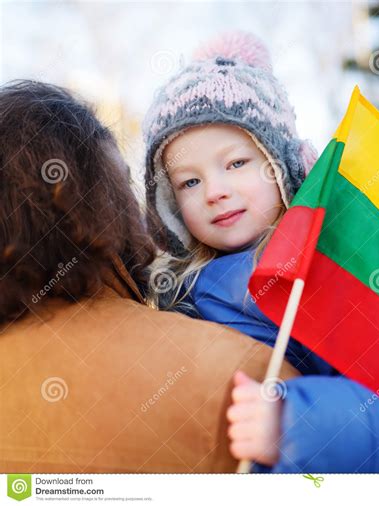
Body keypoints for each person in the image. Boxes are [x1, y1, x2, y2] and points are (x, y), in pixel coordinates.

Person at [143, 31, 379, 472]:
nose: (215, 192)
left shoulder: (328, 271)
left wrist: (294, 425)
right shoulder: (168, 294)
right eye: (189, 182)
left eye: (236, 163)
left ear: (284, 164)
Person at [0, 79, 298, 473]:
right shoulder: (241, 373)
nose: (215, 192)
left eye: (236, 163)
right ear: (100, 203)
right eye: (122, 184)